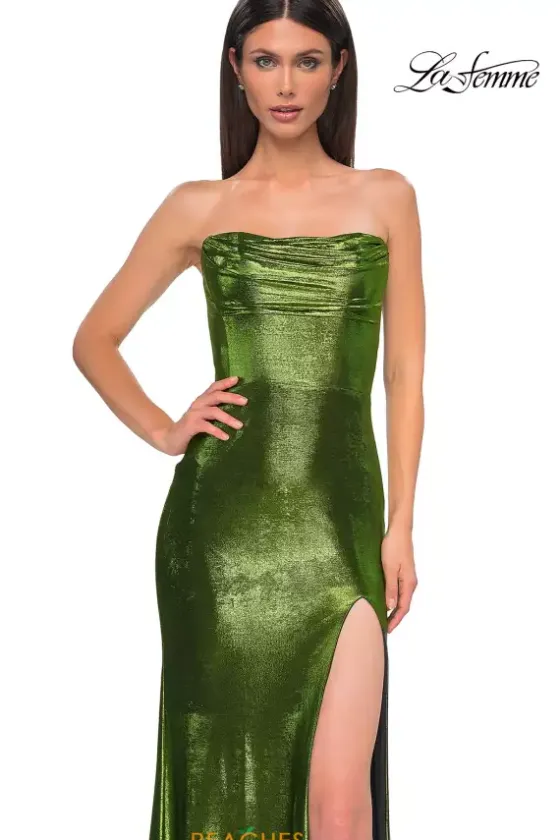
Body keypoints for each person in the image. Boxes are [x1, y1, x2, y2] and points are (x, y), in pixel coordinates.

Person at [72, 2, 424, 838]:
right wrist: (166, 429)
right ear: (236, 70)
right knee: (227, 778)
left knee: (341, 804)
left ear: (339, 69)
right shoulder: (199, 208)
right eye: (266, 61)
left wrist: (402, 526)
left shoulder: (386, 197)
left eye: (307, 61)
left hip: (340, 527)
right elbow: (94, 340)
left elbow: (404, 375)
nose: (286, 84)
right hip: (222, 535)